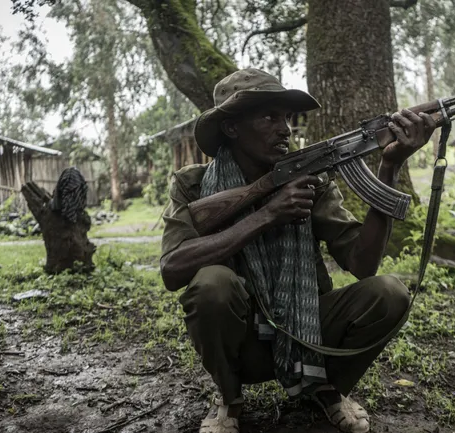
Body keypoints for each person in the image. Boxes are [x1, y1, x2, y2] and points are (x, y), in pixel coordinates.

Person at [160, 68, 435, 433]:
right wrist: (267, 215)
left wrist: (390, 165)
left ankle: (329, 389)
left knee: (389, 292)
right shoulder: (193, 185)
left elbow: (363, 264)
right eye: (269, 117)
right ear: (231, 128)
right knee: (212, 284)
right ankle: (229, 399)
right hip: (243, 344)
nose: (285, 129)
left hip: (307, 333)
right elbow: (172, 268)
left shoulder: (310, 179)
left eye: (287, 118)